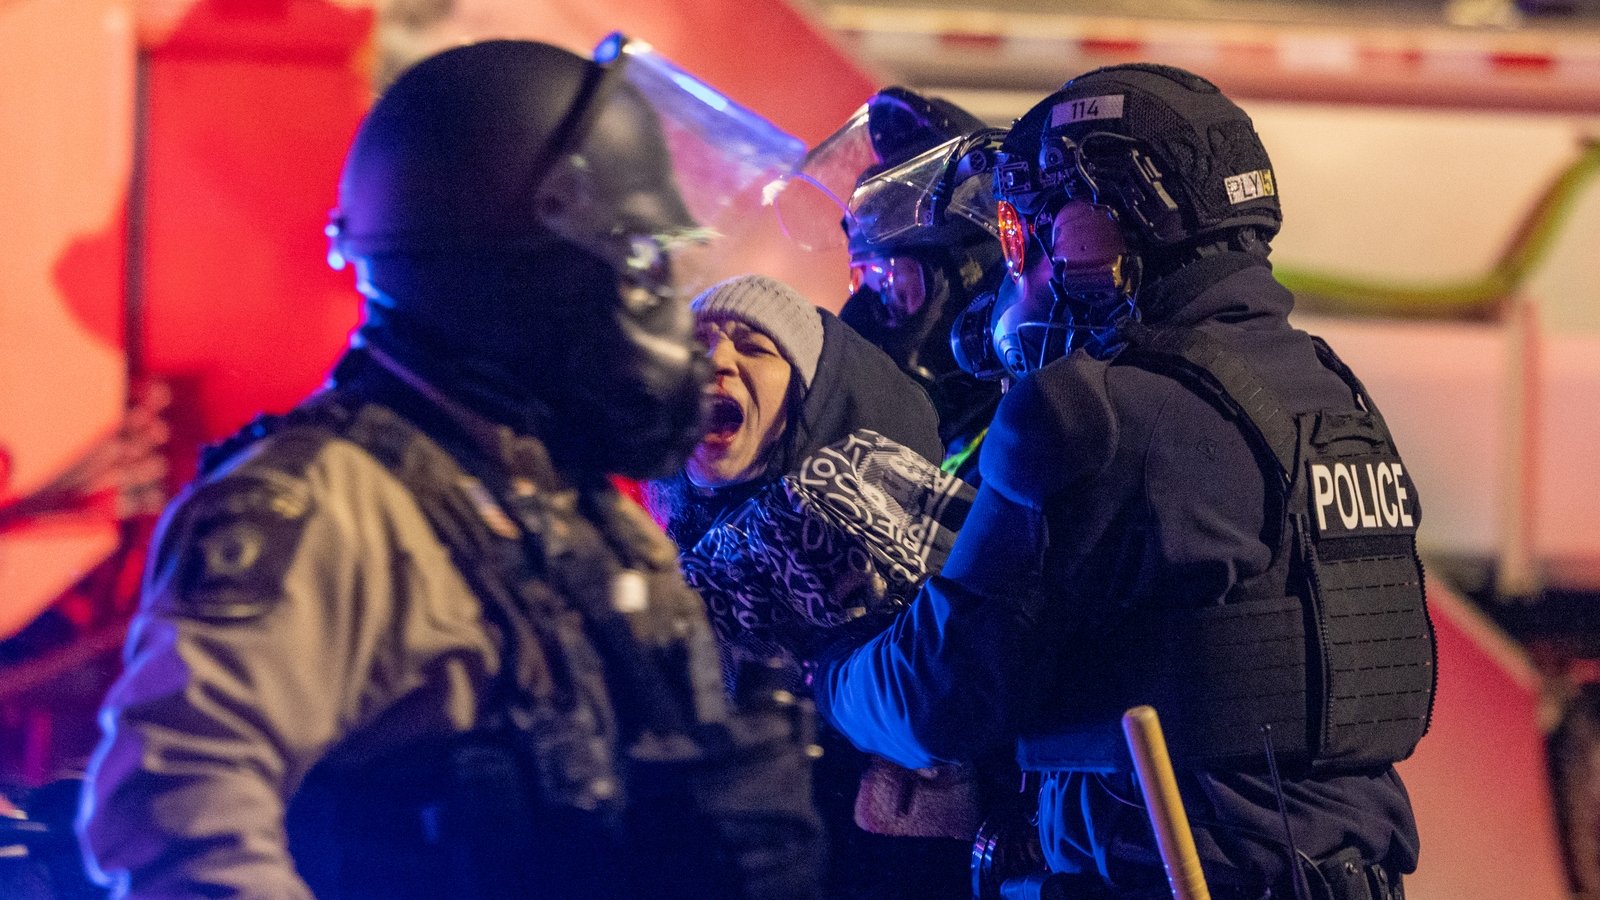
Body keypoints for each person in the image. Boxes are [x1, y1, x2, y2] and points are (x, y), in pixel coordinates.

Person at [77, 37, 824, 900]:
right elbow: (176, 817)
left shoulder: (583, 511)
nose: (670, 320)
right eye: (639, 267)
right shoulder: (322, 505)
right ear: (513, 278)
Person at [816, 63, 1435, 900]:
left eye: (1019, 233)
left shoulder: (1087, 410)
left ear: (1088, 234)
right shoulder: (1335, 398)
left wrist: (834, 669)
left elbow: (939, 696)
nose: (1016, 269)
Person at [648, 273, 978, 899]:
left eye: (754, 347)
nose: (716, 361)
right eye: (695, 346)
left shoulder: (866, 510)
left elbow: (956, 687)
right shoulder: (669, 582)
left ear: (813, 394)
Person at [789, 88, 1008, 482]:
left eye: (892, 283)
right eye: (864, 280)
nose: (868, 315)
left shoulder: (1019, 453)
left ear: (972, 287)